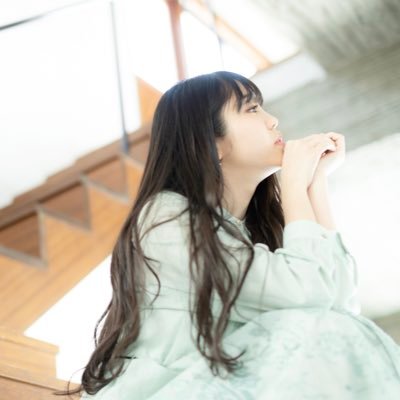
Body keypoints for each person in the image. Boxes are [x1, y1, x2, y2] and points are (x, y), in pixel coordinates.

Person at [56, 71, 400, 399]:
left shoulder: (249, 230)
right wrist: (294, 183)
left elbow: (340, 303)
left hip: (220, 381)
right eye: (252, 109)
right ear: (212, 142)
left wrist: (316, 182)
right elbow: (309, 299)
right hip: (166, 388)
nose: (272, 120)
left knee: (342, 330)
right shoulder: (164, 217)